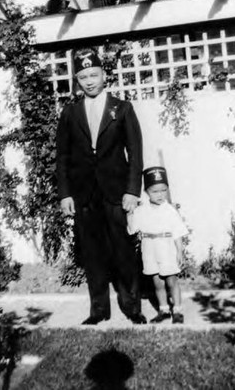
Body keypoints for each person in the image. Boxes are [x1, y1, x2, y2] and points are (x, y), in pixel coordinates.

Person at [56, 48, 146, 325]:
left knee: (123, 250)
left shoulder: (122, 108)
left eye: (94, 74)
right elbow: (62, 157)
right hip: (85, 196)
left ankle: (132, 307)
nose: (89, 81)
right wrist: (65, 194)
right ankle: (98, 311)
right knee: (92, 254)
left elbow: (136, 151)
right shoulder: (70, 113)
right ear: (77, 80)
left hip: (116, 193)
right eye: (83, 76)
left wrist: (132, 190)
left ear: (104, 75)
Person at [127, 166, 188, 323]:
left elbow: (177, 232)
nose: (160, 195)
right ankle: (164, 310)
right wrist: (129, 213)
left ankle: (178, 311)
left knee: (171, 280)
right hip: (149, 248)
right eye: (155, 191)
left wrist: (180, 251)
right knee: (158, 282)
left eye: (163, 190)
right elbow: (132, 229)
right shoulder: (141, 211)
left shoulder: (170, 210)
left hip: (167, 248)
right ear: (147, 192)